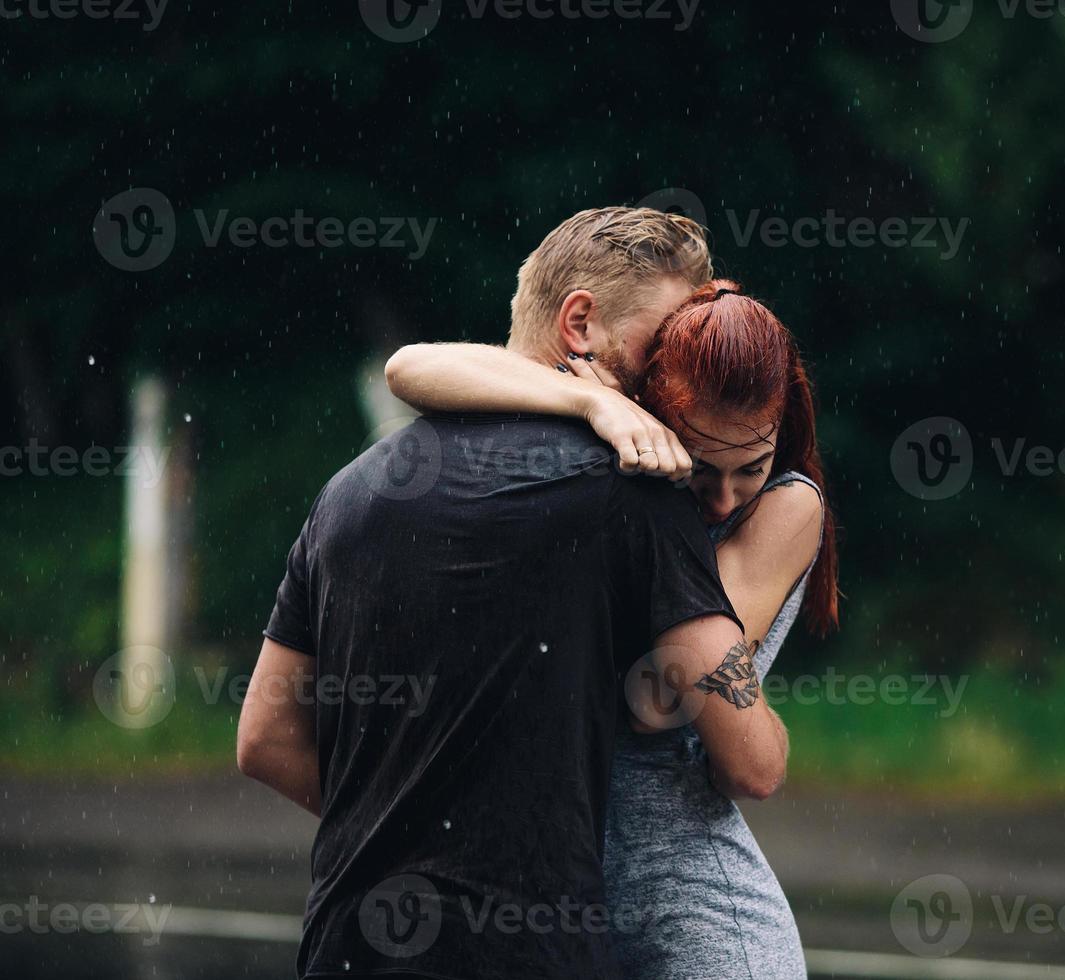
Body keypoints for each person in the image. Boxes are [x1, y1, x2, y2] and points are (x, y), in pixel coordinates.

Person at [236, 208, 790, 980]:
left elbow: (264, 738)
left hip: (350, 942)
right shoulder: (637, 492)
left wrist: (410, 840)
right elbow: (751, 761)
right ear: (580, 324)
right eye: (662, 345)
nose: (678, 374)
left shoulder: (350, 492)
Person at [383, 275, 840, 979]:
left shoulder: (786, 509)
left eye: (750, 466)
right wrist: (589, 399)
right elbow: (409, 368)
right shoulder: (620, 453)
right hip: (569, 908)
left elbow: (655, 702)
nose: (722, 499)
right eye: (701, 469)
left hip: (701, 919)